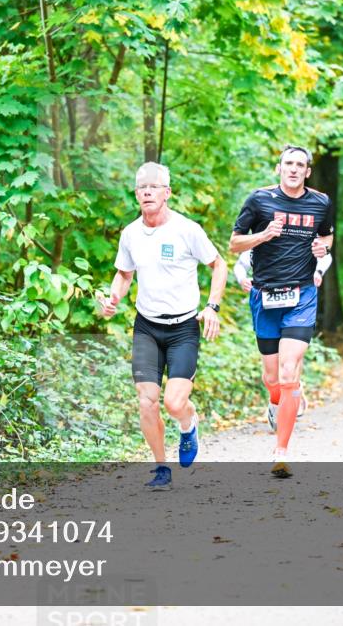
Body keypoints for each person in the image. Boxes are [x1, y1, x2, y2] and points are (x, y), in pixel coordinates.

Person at [99, 162, 227, 490]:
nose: (147, 191)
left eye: (154, 186)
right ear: (136, 195)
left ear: (167, 193)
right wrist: (113, 298)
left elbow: (218, 265)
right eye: (142, 187)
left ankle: (188, 425)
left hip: (183, 327)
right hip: (147, 327)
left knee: (173, 403)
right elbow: (124, 274)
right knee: (146, 400)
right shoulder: (130, 234)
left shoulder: (187, 230)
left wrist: (212, 306)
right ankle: (161, 468)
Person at [229, 145, 334, 478]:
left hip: (301, 295)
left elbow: (327, 239)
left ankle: (281, 452)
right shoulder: (259, 200)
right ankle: (278, 400)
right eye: (288, 163)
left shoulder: (321, 202)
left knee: (289, 374)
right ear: (279, 168)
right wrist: (262, 236)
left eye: (300, 164)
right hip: (265, 296)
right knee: (272, 378)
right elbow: (234, 244)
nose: (293, 169)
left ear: (307, 172)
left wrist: (322, 247)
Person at [233, 247, 334, 411]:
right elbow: (239, 265)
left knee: (290, 362)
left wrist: (318, 272)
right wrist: (242, 278)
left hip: (298, 304)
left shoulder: (299, 236)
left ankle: (294, 391)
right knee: (271, 377)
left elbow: (325, 255)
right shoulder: (258, 242)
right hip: (266, 308)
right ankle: (275, 400)